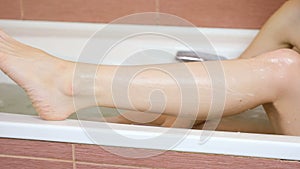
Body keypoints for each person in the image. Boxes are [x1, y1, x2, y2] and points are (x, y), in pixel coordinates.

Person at [0, 0, 300, 136]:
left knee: (286, 70)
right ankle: (85, 94)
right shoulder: (294, 14)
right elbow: (239, 85)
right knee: (175, 116)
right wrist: (154, 114)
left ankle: (68, 83)